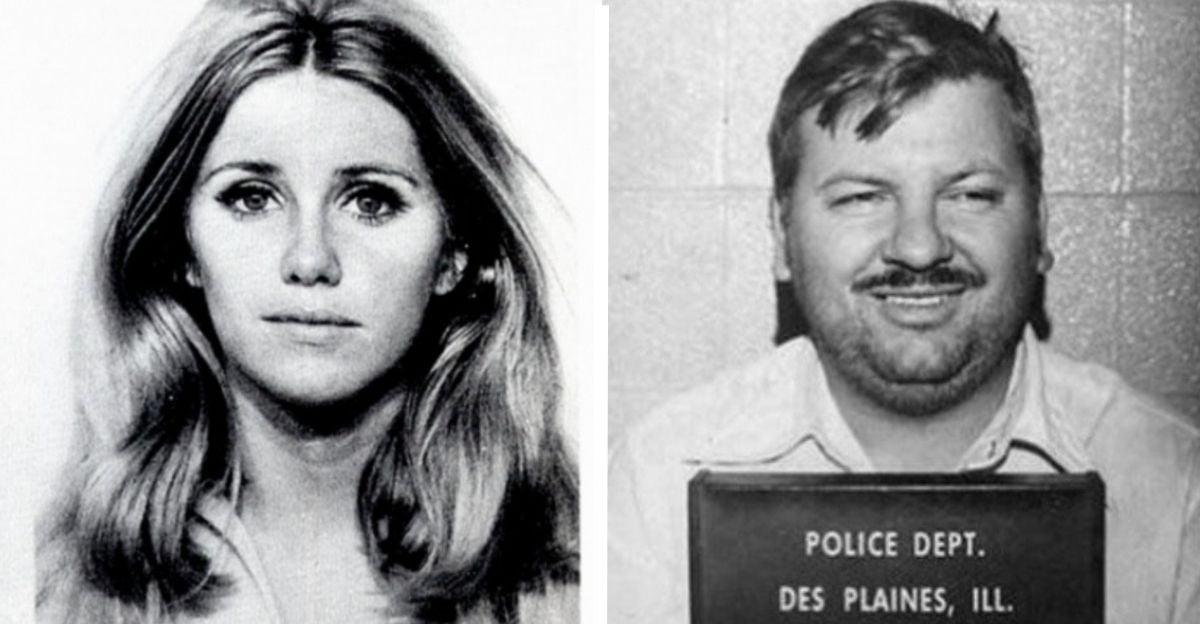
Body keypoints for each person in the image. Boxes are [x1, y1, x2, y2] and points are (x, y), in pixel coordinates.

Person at [608, 2, 1199, 623]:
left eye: (970, 194)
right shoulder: (654, 485)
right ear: (782, 239)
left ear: (1041, 229)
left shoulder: (1175, 492)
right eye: (862, 197)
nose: (919, 245)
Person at [36, 1, 578, 622]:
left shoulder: (570, 585)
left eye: (370, 202)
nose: (310, 258)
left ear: (456, 255)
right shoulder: (55, 587)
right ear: (178, 244)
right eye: (251, 198)